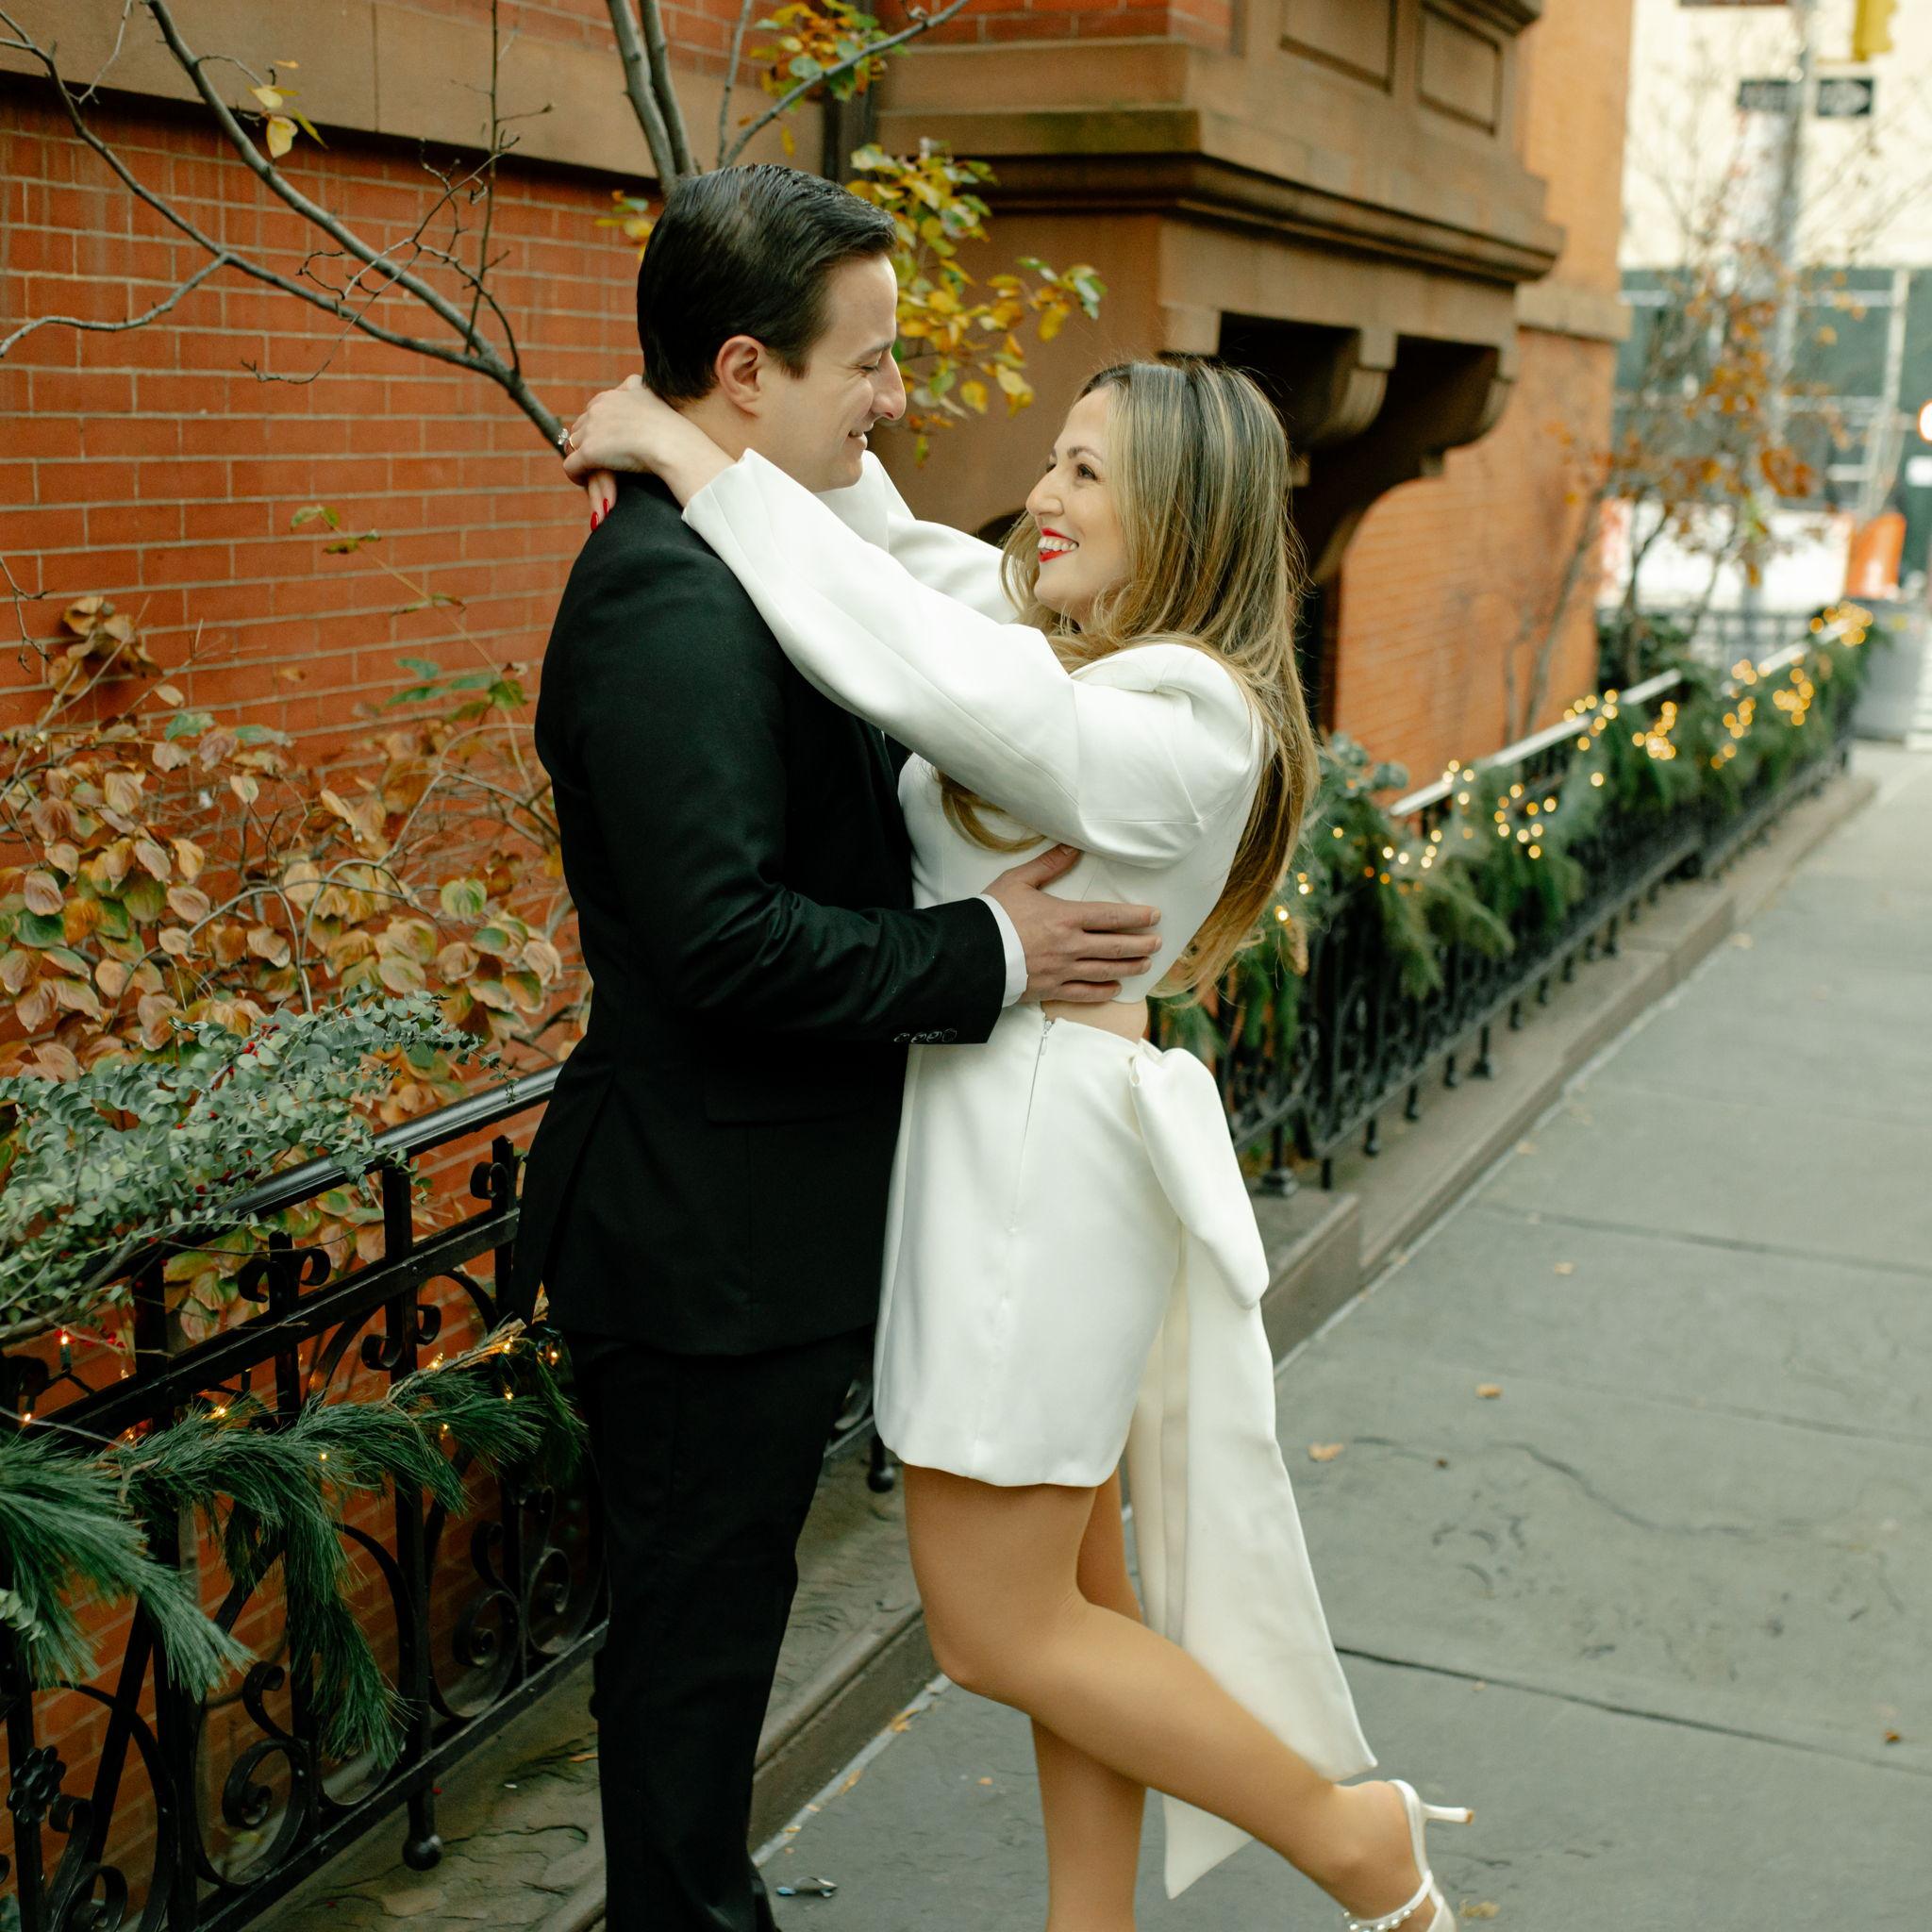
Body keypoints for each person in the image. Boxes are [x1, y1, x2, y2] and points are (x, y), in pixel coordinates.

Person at [562, 330, 1475, 1926]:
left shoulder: (1187, 714)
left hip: (1033, 1176)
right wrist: (698, 429)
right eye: (1054, 458)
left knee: (996, 1629)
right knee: (1078, 1596)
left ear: (1176, 512)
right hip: (1017, 1145)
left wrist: (694, 459)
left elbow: (916, 660)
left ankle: (1355, 1842)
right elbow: (908, 566)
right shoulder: (1085, 656)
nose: (1042, 495)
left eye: (1085, 471)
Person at [509, 164, 1168, 1932]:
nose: (894, 395)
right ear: (749, 370)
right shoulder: (665, 599)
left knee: (718, 1642)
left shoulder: (760, 547)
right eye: (866, 361)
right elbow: (721, 941)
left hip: (761, 1233)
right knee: (693, 1663)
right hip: (695, 1242)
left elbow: (917, 588)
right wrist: (994, 952)